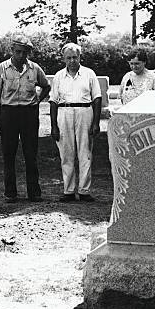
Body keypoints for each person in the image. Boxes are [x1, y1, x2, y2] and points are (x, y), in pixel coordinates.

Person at [0, 36, 51, 203]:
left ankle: (34, 192)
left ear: (28, 52)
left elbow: (46, 86)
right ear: (12, 51)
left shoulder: (35, 69)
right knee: (8, 154)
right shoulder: (2, 68)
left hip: (29, 114)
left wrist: (37, 101)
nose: (20, 55)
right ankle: (10, 193)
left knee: (30, 154)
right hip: (8, 114)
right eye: (17, 51)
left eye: (24, 52)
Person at [50, 43, 102, 202]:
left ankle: (84, 190)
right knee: (66, 153)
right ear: (64, 59)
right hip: (64, 113)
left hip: (84, 112)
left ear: (80, 57)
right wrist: (53, 126)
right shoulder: (59, 76)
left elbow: (97, 98)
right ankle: (69, 190)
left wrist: (96, 123)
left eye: (75, 57)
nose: (72, 61)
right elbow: (53, 101)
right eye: (69, 58)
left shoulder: (89, 74)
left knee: (85, 152)